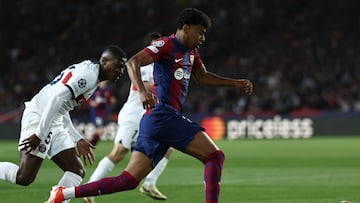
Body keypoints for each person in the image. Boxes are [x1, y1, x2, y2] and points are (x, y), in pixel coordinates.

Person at [46, 8, 253, 203]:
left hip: (155, 122)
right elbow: (132, 62)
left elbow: (203, 77)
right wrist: (143, 91)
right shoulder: (166, 45)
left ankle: (63, 193)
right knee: (215, 156)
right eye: (201, 33)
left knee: (128, 180)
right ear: (186, 28)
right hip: (163, 115)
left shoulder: (191, 53)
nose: (203, 38)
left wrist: (234, 82)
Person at [0, 45, 127, 198]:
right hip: (40, 115)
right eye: (118, 66)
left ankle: (56, 200)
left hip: (54, 119)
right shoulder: (89, 76)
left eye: (123, 68)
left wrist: (77, 138)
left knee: (76, 172)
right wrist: (40, 134)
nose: (121, 71)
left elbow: (62, 106)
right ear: (105, 61)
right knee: (24, 177)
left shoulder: (93, 73)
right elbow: (56, 98)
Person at [83, 32, 172, 203]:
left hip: (146, 117)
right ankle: (90, 188)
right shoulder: (146, 67)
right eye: (155, 45)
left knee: (167, 147)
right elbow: (146, 86)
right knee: (118, 153)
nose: (158, 49)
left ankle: (150, 183)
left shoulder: (161, 68)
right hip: (133, 116)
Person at [87, 81, 117, 145]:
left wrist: (112, 100)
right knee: (100, 130)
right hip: (96, 112)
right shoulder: (95, 89)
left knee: (100, 130)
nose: (104, 82)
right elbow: (89, 99)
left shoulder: (108, 89)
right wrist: (92, 103)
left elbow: (110, 100)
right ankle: (90, 144)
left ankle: (90, 144)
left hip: (103, 112)